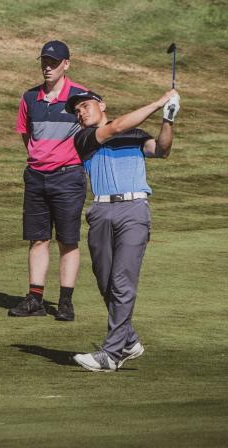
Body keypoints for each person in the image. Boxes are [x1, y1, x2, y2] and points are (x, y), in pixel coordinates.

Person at [64, 88, 180, 371]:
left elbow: (161, 150)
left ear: (101, 104)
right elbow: (115, 127)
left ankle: (111, 355)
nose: (81, 112)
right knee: (106, 281)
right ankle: (128, 340)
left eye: (85, 106)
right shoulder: (83, 138)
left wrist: (168, 118)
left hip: (134, 210)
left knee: (122, 281)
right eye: (77, 110)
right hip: (101, 211)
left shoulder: (136, 134)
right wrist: (158, 101)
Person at [8, 40, 89, 321]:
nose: (47, 67)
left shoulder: (81, 97)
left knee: (67, 240)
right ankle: (35, 298)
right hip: (36, 177)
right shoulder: (29, 98)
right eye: (44, 61)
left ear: (66, 64)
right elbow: (25, 134)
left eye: (54, 63)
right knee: (38, 239)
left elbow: (98, 128)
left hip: (69, 178)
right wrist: (41, 157)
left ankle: (65, 301)